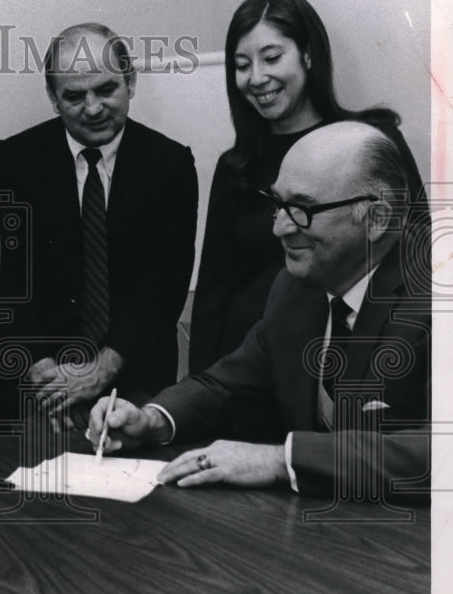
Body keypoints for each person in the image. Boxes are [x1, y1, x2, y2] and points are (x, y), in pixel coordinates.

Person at [88, 123, 430, 502]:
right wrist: (152, 419)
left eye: (300, 209)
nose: (279, 228)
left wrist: (281, 461)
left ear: (376, 219)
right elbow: (227, 386)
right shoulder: (294, 288)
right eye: (277, 204)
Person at [189, 0, 428, 375]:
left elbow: (420, 255)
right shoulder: (236, 167)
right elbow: (213, 294)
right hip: (253, 368)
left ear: (308, 55)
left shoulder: (372, 140)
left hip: (355, 356)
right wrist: (201, 390)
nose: (257, 77)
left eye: (271, 57)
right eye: (242, 64)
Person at [0, 22, 197, 423]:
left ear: (130, 82)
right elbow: (1, 278)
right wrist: (41, 370)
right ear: (52, 97)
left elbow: (163, 285)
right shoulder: (15, 161)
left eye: (106, 89)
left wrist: (100, 371)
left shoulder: (171, 165)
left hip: (136, 378)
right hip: (40, 384)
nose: (93, 108)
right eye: (75, 96)